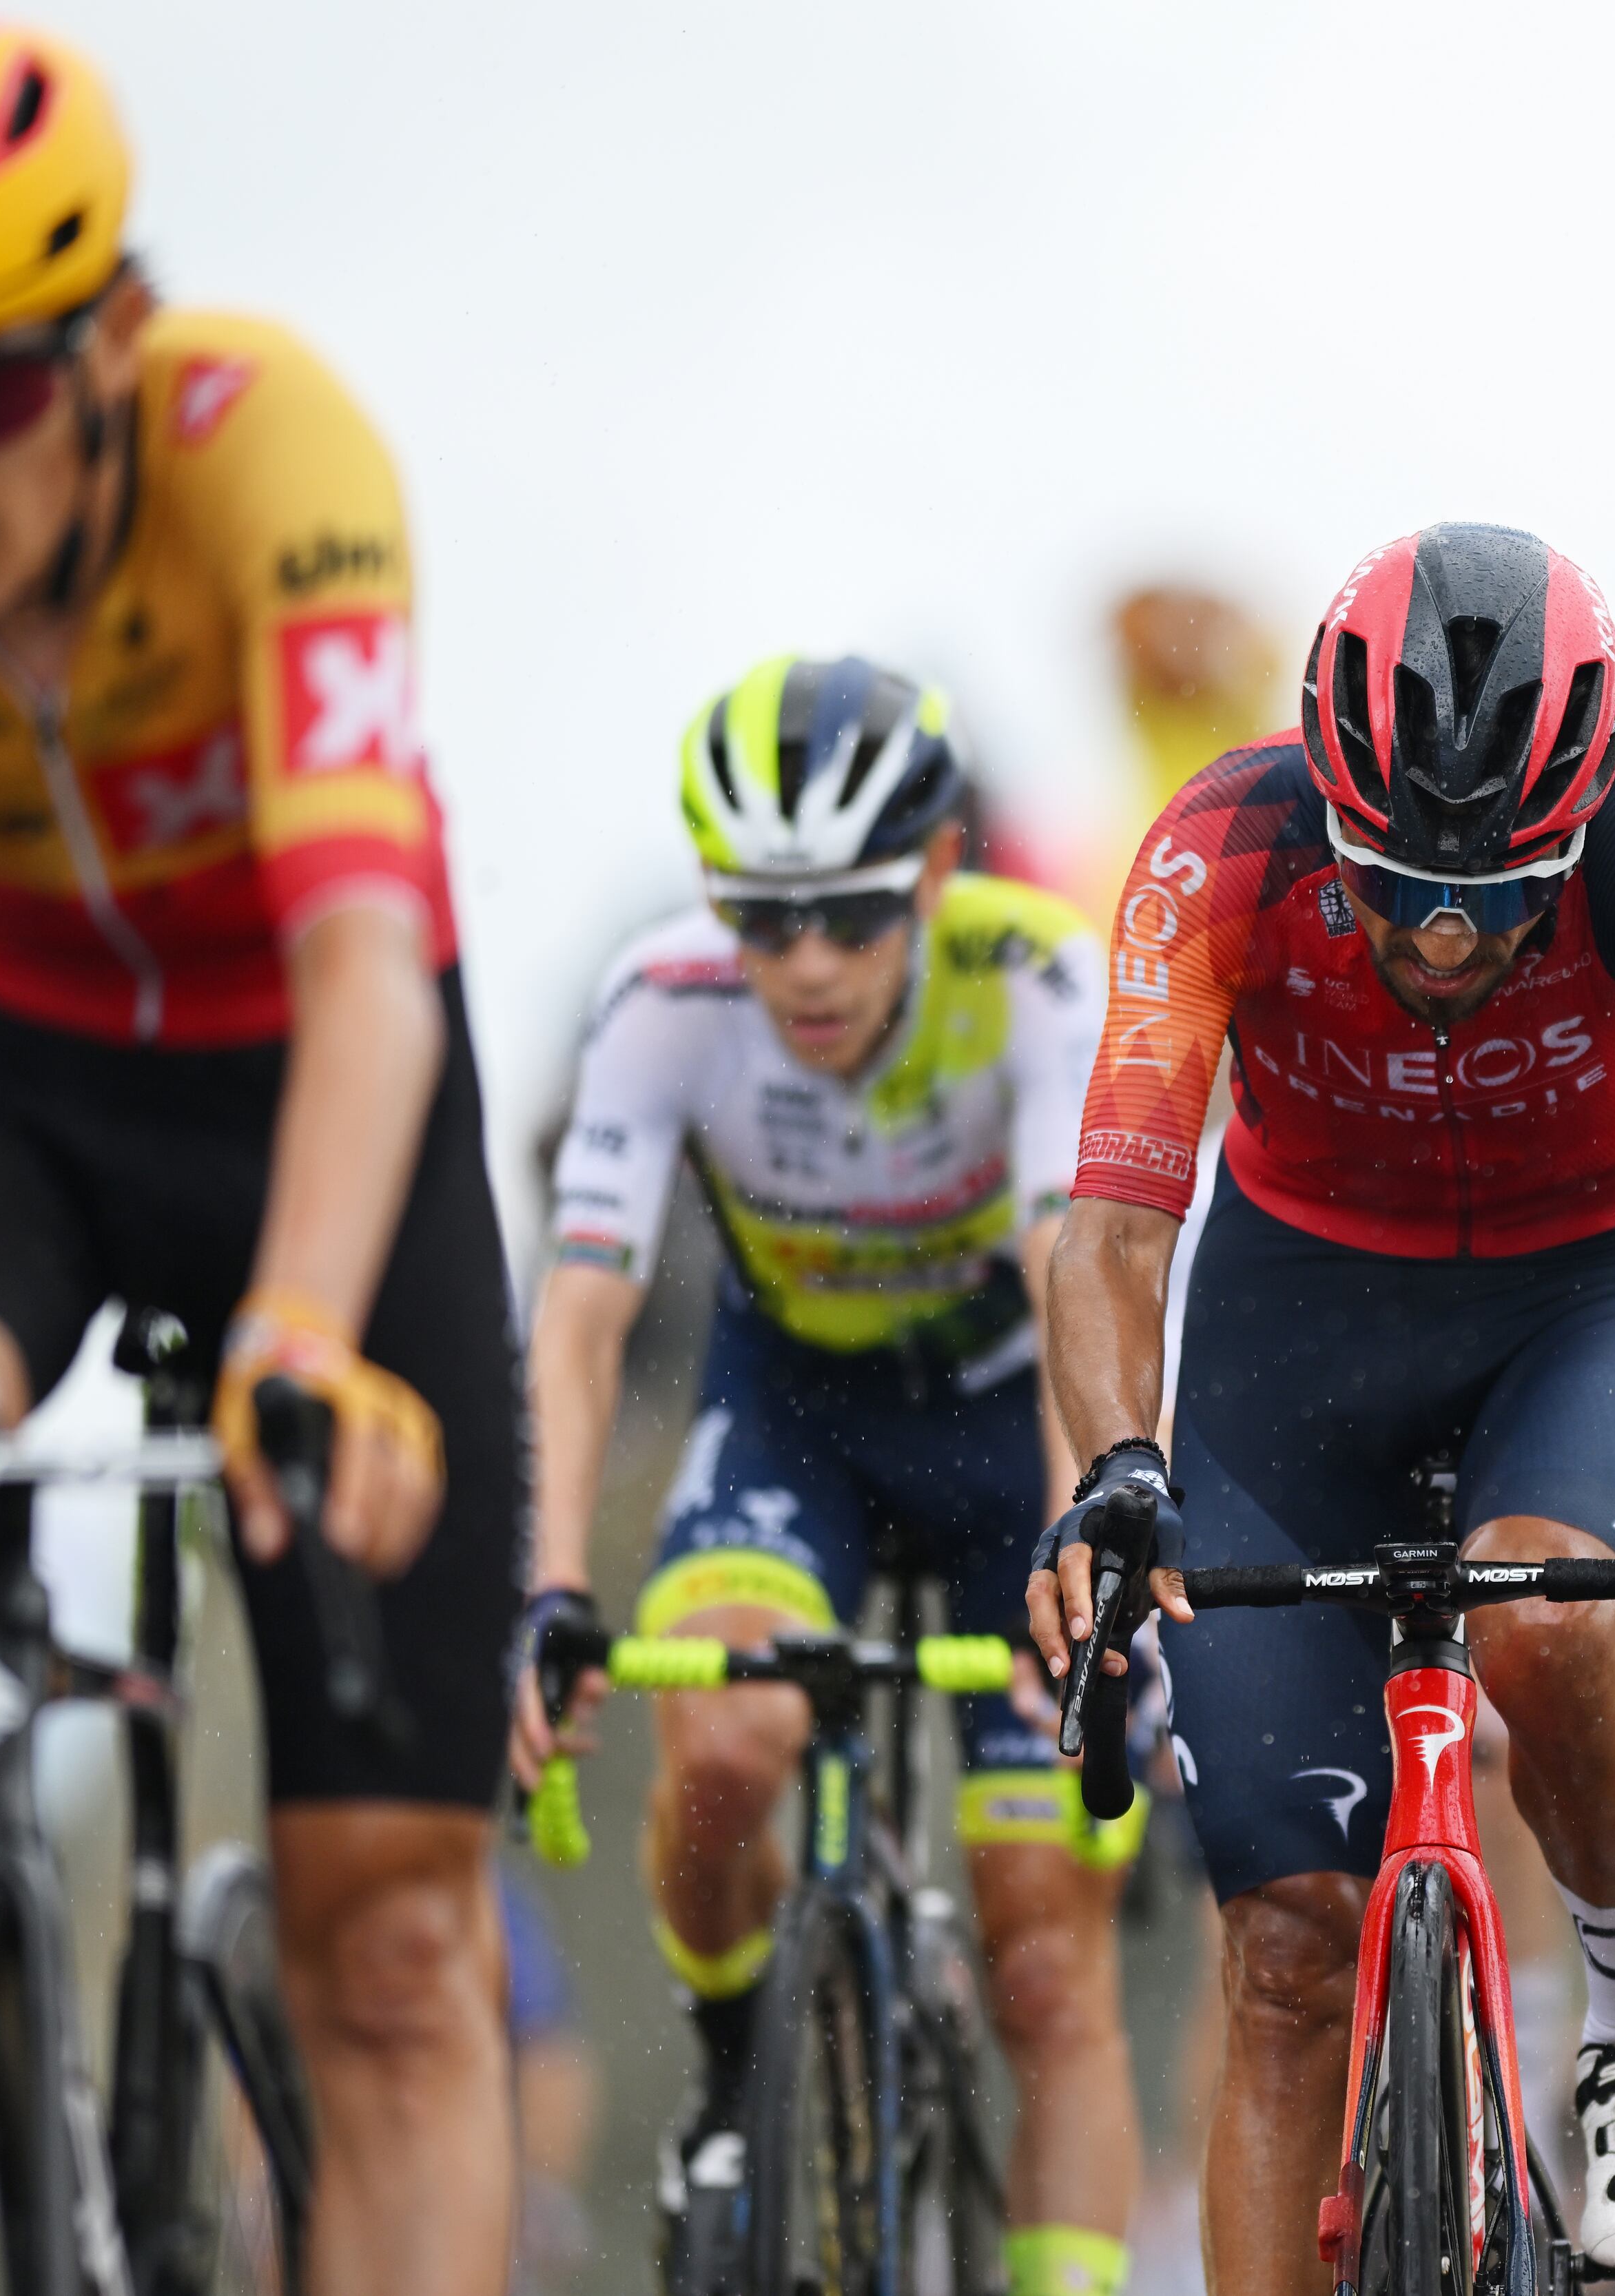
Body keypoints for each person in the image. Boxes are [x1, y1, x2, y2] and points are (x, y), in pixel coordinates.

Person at [0, 18, 524, 2293]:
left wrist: (300, 1324)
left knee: (392, 1937)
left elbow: (370, 959)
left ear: (107, 340)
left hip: (316, 1076)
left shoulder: (272, 448)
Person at [1027, 522, 1615, 2287]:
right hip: (1298, 1325)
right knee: (1287, 1957)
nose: (1448, 932)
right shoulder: (1222, 841)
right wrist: (1120, 1467)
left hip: (1585, 1294)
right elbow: (1116, 1224)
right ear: (1328, 797)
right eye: (1394, 881)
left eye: (1507, 889)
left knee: (1547, 1625)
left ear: (1578, 821)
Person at [511, 654, 1144, 2296]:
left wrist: (1083, 1543)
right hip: (801, 1410)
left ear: (934, 873)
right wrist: (548, 1583)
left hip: (1012, 1427)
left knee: (1042, 1948)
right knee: (726, 1734)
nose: (803, 962)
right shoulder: (663, 1001)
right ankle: (737, 2074)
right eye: (762, 914)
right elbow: (580, 1313)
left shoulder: (1030, 974)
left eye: (851, 916)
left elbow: (1068, 1278)